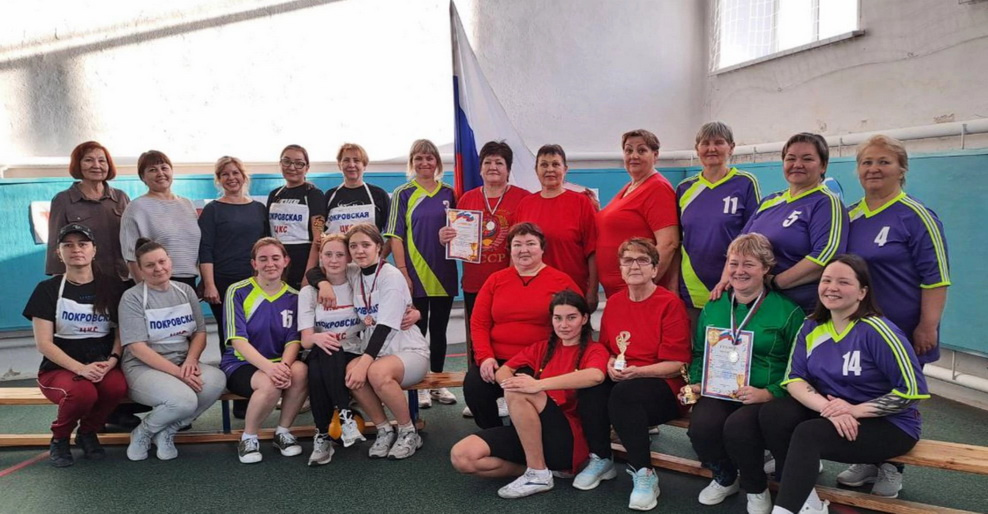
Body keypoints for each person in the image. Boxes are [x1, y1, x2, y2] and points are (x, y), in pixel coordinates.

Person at [760, 255, 929, 514]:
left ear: (862, 292)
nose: (832, 287)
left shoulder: (878, 331)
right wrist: (829, 409)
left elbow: (912, 392)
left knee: (808, 434)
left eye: (844, 282)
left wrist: (853, 410)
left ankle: (785, 510)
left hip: (891, 424)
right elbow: (794, 379)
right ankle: (806, 500)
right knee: (774, 414)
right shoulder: (811, 326)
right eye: (826, 280)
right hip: (836, 412)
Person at [840, 135, 950, 496]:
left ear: (902, 169)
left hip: (903, 329)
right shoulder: (849, 216)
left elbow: (936, 277)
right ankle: (868, 459)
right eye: (867, 162)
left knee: (900, 398)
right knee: (862, 392)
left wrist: (927, 325)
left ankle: (892, 467)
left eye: (884, 162)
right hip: (859, 330)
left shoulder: (916, 216)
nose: (874, 169)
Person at [681, 233, 803, 513]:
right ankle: (725, 477)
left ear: (766, 268)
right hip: (720, 389)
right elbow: (700, 352)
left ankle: (756, 487)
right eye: (733, 263)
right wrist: (698, 383)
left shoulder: (787, 312)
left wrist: (769, 393)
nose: (739, 271)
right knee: (701, 428)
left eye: (749, 264)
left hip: (761, 394)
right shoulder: (714, 305)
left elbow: (798, 366)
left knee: (739, 430)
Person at [450, 290, 609, 499]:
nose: (564, 325)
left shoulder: (594, 350)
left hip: (565, 440)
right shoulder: (543, 348)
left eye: (571, 318)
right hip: (530, 433)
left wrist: (537, 385)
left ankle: (538, 473)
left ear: (585, 318)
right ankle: (539, 470)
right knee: (462, 456)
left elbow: (595, 375)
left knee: (520, 390)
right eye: (558, 318)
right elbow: (503, 370)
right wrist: (511, 383)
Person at [573, 238, 691, 511]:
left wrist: (638, 372)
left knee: (624, 395)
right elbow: (606, 349)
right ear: (621, 269)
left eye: (642, 260)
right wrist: (610, 363)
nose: (634, 266)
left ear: (654, 269)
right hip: (625, 378)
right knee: (592, 385)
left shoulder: (669, 304)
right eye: (628, 260)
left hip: (664, 384)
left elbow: (677, 363)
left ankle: (644, 472)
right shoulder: (615, 302)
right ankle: (602, 458)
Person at [438, 141, 531, 415]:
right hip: (475, 283)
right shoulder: (467, 199)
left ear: (508, 169)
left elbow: (525, 240)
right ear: (480, 169)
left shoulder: (522, 198)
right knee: (478, 340)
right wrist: (446, 237)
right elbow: (458, 238)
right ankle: (479, 395)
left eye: (499, 163)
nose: (493, 167)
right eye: (488, 162)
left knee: (508, 338)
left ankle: (508, 393)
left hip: (510, 284)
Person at [23, 224, 128, 467]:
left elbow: (121, 332)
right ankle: (59, 438)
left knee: (116, 386)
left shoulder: (112, 287)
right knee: (82, 393)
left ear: (94, 250)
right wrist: (80, 369)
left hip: (102, 363)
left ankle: (87, 432)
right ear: (59, 253)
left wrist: (112, 360)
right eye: (68, 245)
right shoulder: (47, 290)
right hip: (58, 369)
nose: (76, 249)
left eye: (82, 244)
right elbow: (44, 343)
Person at [715, 133, 848, 313]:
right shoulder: (770, 201)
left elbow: (827, 255)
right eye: (791, 158)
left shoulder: (825, 203)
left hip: (801, 308)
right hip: (760, 305)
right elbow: (739, 246)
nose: (797, 164)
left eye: (807, 159)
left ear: (823, 165)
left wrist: (777, 282)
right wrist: (725, 282)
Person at [118, 239, 225, 461]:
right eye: (150, 265)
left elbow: (199, 333)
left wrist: (191, 361)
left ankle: (168, 430)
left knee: (217, 381)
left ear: (170, 261)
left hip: (182, 362)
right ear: (140, 270)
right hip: (143, 368)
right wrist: (178, 373)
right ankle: (143, 431)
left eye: (162, 261)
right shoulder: (132, 297)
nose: (158, 268)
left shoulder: (185, 291)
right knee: (183, 400)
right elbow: (137, 348)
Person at [466, 222, 581, 429]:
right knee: (474, 387)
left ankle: (528, 435)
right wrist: (485, 357)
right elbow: (479, 322)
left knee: (524, 395)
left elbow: (577, 321)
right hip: (497, 359)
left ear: (542, 248)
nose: (524, 250)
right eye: (517, 245)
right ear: (510, 250)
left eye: (530, 244)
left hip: (539, 360)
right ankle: (495, 434)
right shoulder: (495, 280)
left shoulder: (561, 281)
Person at [343, 223, 430, 460]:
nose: (359, 250)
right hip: (378, 353)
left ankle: (408, 431)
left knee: (374, 372)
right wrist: (321, 283)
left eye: (366, 245)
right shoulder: (354, 273)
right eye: (353, 246)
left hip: (409, 351)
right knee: (352, 373)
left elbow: (385, 326)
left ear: (379, 247)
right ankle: (384, 429)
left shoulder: (390, 275)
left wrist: (364, 363)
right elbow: (319, 271)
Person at [384, 139, 458, 408]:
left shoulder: (450, 192)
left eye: (429, 158)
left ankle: (437, 382)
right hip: (414, 274)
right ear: (412, 162)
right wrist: (403, 272)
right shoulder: (402, 193)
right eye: (419, 158)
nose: (425, 163)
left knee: (439, 330)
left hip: (444, 273)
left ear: (437, 161)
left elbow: (462, 229)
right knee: (416, 331)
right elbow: (395, 236)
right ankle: (420, 383)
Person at [220, 237, 308, 464]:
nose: (270, 264)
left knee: (301, 371)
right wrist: (271, 369)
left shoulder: (294, 297)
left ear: (286, 261)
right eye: (263, 259)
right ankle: (248, 437)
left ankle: (283, 432)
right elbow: (237, 340)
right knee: (269, 383)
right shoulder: (237, 291)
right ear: (254, 264)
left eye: (276, 258)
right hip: (241, 364)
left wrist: (284, 366)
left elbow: (293, 339)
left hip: (279, 362)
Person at [298, 233, 368, 466]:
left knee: (321, 367)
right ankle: (344, 416)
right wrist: (317, 337)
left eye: (340, 254)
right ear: (320, 256)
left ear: (349, 257)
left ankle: (323, 434)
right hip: (320, 348)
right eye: (328, 254)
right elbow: (306, 341)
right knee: (324, 357)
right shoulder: (309, 292)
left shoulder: (358, 282)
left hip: (353, 350)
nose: (334, 260)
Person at [677, 122, 761, 316]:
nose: (711, 148)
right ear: (697, 149)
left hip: (734, 284)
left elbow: (753, 237)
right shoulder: (684, 188)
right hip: (692, 288)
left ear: (731, 147)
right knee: (695, 336)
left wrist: (730, 278)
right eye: (705, 143)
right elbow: (676, 241)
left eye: (719, 142)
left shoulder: (745, 183)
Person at [515, 144, 599, 310]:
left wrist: (593, 290)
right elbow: (515, 251)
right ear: (536, 170)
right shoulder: (525, 205)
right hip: (533, 289)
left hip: (572, 290)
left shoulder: (581, 203)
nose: (550, 170)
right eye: (544, 165)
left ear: (565, 169)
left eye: (555, 164)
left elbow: (593, 251)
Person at [597, 130, 679, 298]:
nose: (634, 156)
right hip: (620, 293)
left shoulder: (657, 188)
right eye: (629, 150)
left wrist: (643, 288)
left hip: (638, 294)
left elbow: (669, 243)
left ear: (655, 155)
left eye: (641, 150)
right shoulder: (630, 187)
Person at [198, 156, 268, 353]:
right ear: (218, 179)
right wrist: (209, 284)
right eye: (225, 174)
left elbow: (266, 246)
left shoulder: (259, 208)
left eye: (235, 173)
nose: (231, 178)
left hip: (255, 281)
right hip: (224, 283)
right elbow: (205, 249)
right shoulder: (212, 210)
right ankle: (230, 368)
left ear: (243, 176)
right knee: (229, 332)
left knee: (256, 329)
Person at [46, 141, 130, 282]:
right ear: (78, 165)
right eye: (88, 160)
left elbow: (133, 239)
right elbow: (55, 244)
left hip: (122, 277)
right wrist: (60, 283)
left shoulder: (120, 197)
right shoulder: (63, 200)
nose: (96, 165)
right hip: (85, 280)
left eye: (102, 161)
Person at [120, 150, 201, 288]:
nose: (160, 173)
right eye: (152, 170)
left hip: (190, 282)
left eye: (164, 168)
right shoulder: (136, 207)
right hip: (155, 283)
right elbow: (131, 256)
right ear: (142, 177)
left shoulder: (187, 204)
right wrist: (145, 290)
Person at [267, 144, 325, 290]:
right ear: (280, 164)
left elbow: (318, 239)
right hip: (276, 266)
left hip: (303, 266)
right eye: (287, 161)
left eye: (299, 163)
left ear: (307, 168)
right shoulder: (274, 195)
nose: (292, 167)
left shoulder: (314, 194)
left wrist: (308, 274)